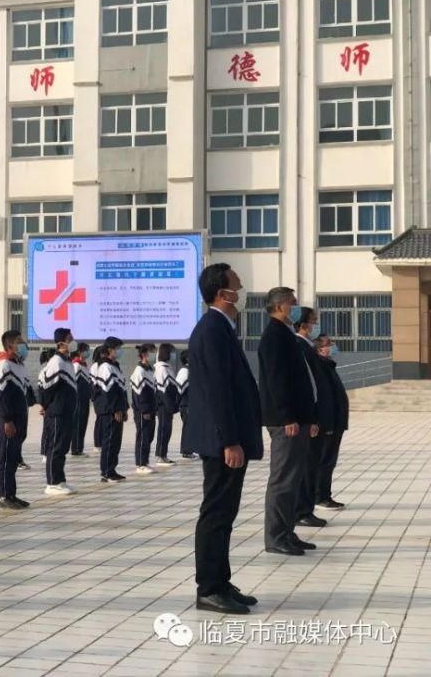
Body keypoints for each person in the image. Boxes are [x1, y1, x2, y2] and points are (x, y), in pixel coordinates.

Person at [187, 263, 263, 615]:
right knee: (216, 513)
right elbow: (217, 392)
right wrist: (230, 440)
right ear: (222, 294)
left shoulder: (223, 328)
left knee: (225, 513)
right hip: (221, 442)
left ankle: (221, 580)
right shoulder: (212, 330)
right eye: (237, 284)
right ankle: (208, 588)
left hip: (228, 438)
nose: (242, 288)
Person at [259, 287, 318, 557]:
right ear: (281, 306)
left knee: (293, 479)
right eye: (293, 304)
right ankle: (276, 537)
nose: (296, 308)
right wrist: (288, 417)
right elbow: (276, 381)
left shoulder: (285, 334)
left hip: (297, 419)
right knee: (283, 479)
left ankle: (287, 531)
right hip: (286, 421)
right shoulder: (273, 336)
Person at [292, 308, 329, 529]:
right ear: (304, 325)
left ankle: (306, 509)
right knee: (305, 468)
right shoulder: (299, 347)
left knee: (311, 465)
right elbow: (306, 386)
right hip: (308, 417)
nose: (315, 326)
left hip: (314, 416)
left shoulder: (307, 347)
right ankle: (301, 510)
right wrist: (311, 417)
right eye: (313, 322)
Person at [0, 330, 33, 509]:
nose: (23, 344)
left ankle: (11, 493)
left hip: (19, 418)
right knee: (6, 457)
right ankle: (3, 495)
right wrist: (6, 419)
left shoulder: (18, 365)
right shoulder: (3, 365)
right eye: (19, 341)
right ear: (10, 346)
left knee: (13, 458)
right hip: (8, 420)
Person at [40, 328, 78, 495]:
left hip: (66, 411)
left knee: (62, 447)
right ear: (62, 343)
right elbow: (46, 386)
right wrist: (46, 405)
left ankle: (60, 479)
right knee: (55, 447)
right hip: (57, 411)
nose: (73, 341)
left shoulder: (67, 361)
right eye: (71, 338)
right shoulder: (57, 362)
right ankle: (52, 483)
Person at [315, 335, 348, 510]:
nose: (333, 346)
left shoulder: (329, 366)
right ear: (319, 349)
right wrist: (326, 425)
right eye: (329, 344)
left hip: (336, 423)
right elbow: (324, 398)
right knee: (324, 460)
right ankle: (320, 497)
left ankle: (324, 495)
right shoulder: (320, 367)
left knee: (329, 461)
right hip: (328, 424)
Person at [91, 341, 127, 483]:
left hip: (117, 409)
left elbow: (121, 390)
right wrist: (116, 409)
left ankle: (112, 469)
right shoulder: (105, 367)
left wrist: (124, 408)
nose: (119, 351)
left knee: (115, 441)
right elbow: (108, 391)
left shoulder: (114, 366)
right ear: (109, 350)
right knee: (109, 441)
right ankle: (106, 472)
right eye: (117, 348)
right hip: (110, 410)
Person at [130, 344, 158, 476]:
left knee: (149, 436)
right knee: (142, 436)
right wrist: (145, 410)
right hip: (143, 411)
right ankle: (140, 463)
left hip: (151, 409)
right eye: (152, 352)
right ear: (144, 354)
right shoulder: (139, 371)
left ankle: (145, 461)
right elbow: (138, 394)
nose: (154, 355)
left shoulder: (150, 370)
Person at [154, 343, 181, 467]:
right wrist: (170, 405)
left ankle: (164, 455)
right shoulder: (162, 369)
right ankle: (160, 455)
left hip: (168, 404)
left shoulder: (167, 368)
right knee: (163, 429)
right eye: (171, 352)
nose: (173, 355)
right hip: (164, 405)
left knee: (167, 430)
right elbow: (163, 390)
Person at [70, 342, 92, 457]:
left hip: (85, 399)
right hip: (78, 399)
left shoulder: (84, 365)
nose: (87, 352)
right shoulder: (76, 366)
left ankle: (80, 447)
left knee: (83, 423)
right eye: (86, 350)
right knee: (78, 424)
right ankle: (76, 449)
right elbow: (73, 383)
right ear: (79, 352)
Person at [176, 350, 193, 459]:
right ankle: (186, 450)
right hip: (186, 405)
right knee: (187, 428)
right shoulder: (184, 371)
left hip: (191, 405)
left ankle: (189, 450)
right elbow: (179, 388)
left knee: (191, 427)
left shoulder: (191, 370)